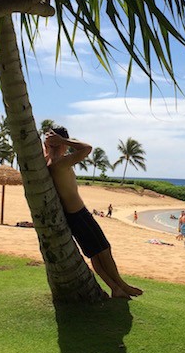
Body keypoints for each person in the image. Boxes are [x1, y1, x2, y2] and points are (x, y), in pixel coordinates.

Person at [44, 127, 143, 299]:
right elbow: (87, 148)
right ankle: (120, 285)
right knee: (104, 250)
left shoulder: (49, 161)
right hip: (78, 215)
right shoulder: (60, 162)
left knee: (96, 255)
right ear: (61, 144)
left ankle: (116, 287)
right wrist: (63, 141)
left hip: (75, 215)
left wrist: (54, 143)